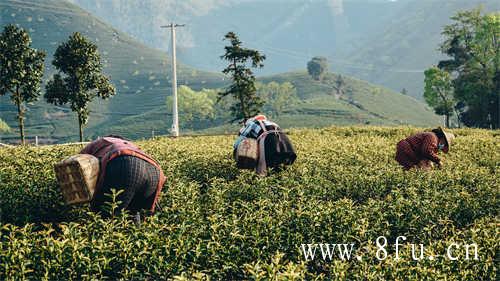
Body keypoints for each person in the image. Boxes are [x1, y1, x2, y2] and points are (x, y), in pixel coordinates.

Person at [80, 135, 166, 218]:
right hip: (154, 171)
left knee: (108, 214)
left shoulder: (100, 142)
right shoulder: (129, 144)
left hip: (126, 164)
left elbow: (78, 165)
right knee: (134, 213)